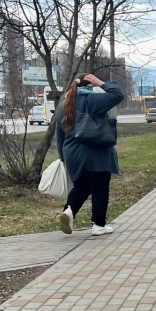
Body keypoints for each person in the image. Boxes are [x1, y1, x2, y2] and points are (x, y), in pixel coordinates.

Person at [56, 73, 125, 236]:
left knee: (82, 186)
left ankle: (69, 211)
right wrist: (100, 82)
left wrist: (62, 157)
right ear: (89, 86)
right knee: (100, 187)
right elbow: (117, 94)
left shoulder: (63, 105)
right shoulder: (92, 100)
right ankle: (99, 225)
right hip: (96, 152)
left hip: (72, 153)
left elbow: (59, 134)